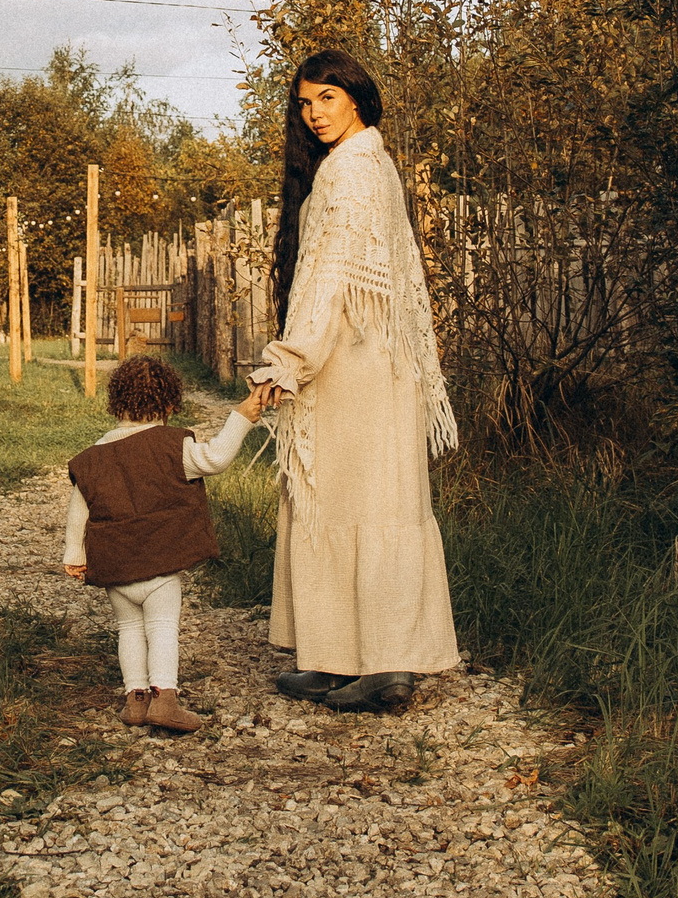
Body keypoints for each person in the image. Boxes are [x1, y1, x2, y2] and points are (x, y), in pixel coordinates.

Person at [251, 48, 461, 712]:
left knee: (365, 508)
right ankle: (340, 655)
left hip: (355, 365)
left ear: (357, 98)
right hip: (367, 361)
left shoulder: (353, 171)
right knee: (358, 506)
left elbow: (329, 278)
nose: (314, 114)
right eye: (306, 103)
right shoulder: (367, 162)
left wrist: (289, 360)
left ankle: (386, 660)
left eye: (327, 99)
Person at [63, 355, 267, 732]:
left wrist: (74, 554)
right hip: (158, 567)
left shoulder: (94, 455)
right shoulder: (172, 446)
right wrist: (241, 416)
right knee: (161, 626)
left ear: (117, 403)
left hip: (116, 570)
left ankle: (135, 701)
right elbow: (216, 458)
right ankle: (165, 699)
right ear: (170, 404)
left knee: (128, 630)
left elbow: (80, 507)